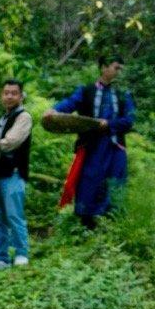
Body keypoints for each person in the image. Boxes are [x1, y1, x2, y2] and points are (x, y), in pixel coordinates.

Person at [53, 56, 136, 224]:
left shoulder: (123, 95)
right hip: (91, 145)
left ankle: (111, 223)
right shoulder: (86, 91)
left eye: (120, 68)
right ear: (104, 68)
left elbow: (129, 121)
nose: (118, 72)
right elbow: (70, 104)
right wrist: (53, 110)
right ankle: (86, 222)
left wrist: (110, 124)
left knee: (115, 182)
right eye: (115, 67)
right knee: (89, 180)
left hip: (115, 146)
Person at [0, 80, 33, 269]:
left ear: (21, 96)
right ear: (1, 96)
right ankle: (1, 256)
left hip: (13, 174)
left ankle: (21, 253)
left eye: (13, 93)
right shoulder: (2, 118)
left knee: (14, 215)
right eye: (6, 92)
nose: (9, 96)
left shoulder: (23, 117)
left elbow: (11, 141)